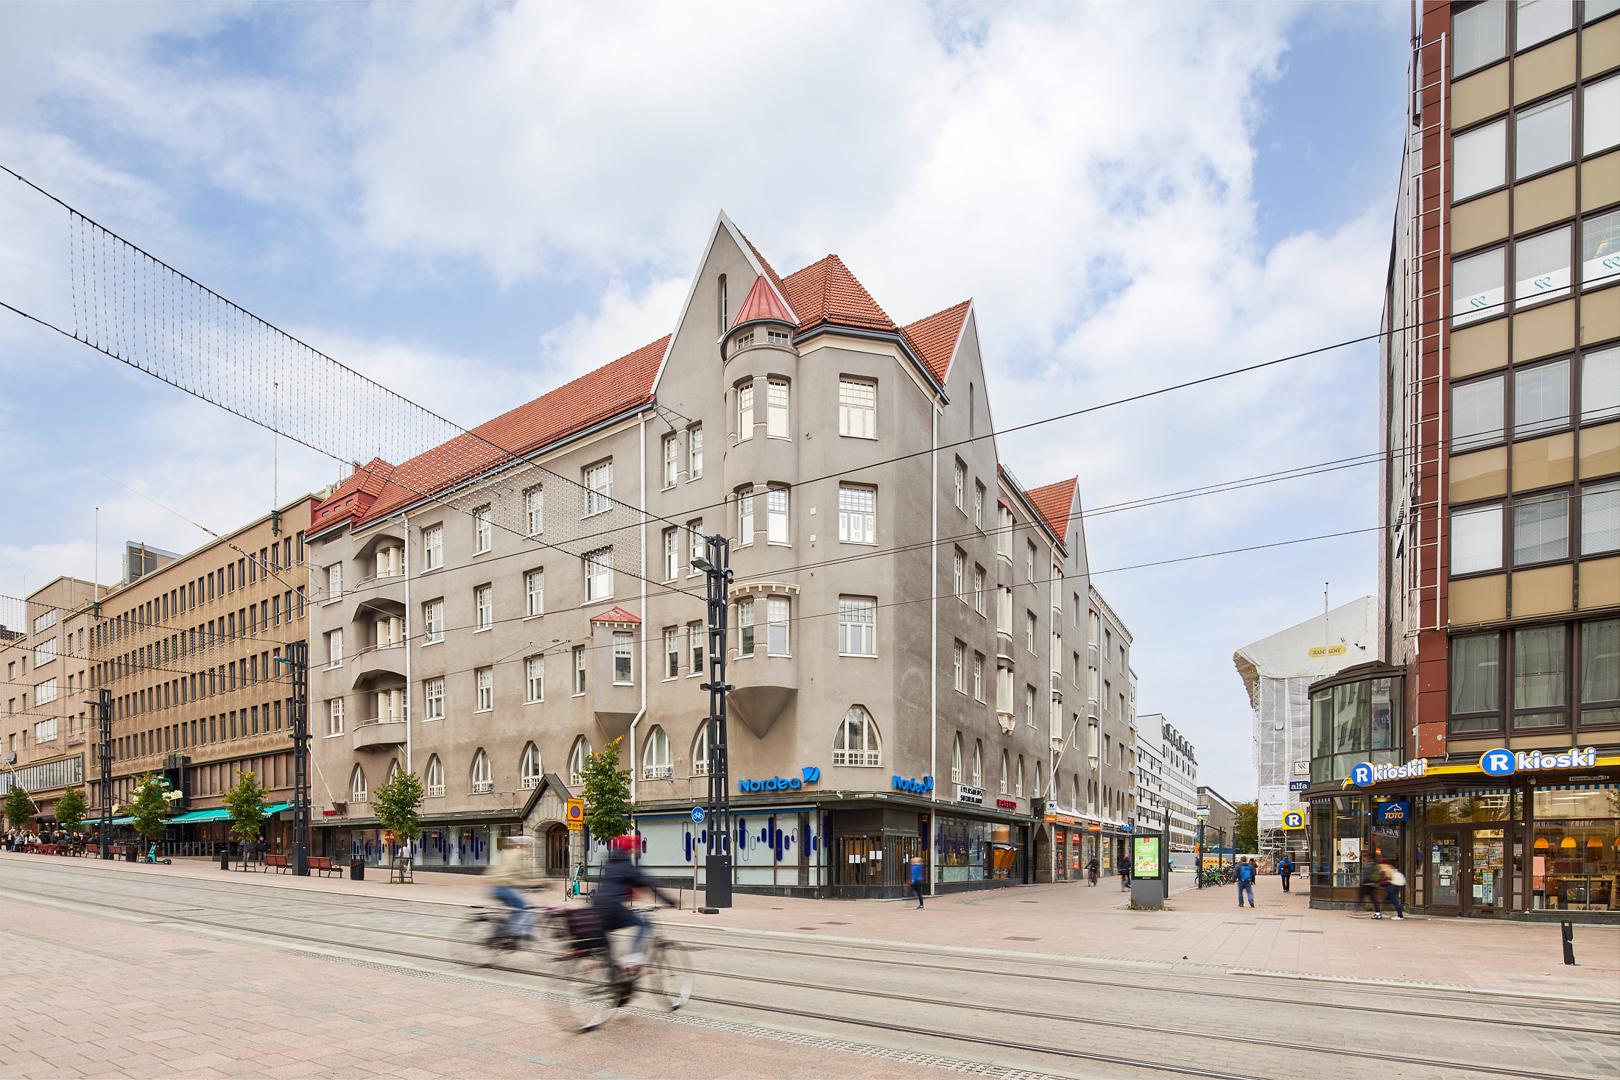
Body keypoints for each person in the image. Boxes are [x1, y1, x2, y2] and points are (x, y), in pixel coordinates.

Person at [592, 835, 680, 971]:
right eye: (634, 849)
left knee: (607, 940)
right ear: (629, 850)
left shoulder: (610, 865)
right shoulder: (627, 866)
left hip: (597, 906)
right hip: (612, 907)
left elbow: (616, 886)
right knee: (643, 923)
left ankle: (613, 973)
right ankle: (633, 958)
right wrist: (670, 901)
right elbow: (649, 884)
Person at [486, 835, 544, 944]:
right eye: (530, 846)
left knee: (518, 908)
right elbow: (526, 872)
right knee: (525, 908)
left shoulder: (504, 853)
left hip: (494, 888)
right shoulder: (521, 855)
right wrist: (540, 883)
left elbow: (491, 870)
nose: (531, 848)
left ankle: (502, 934)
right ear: (524, 845)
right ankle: (513, 933)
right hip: (505, 888)